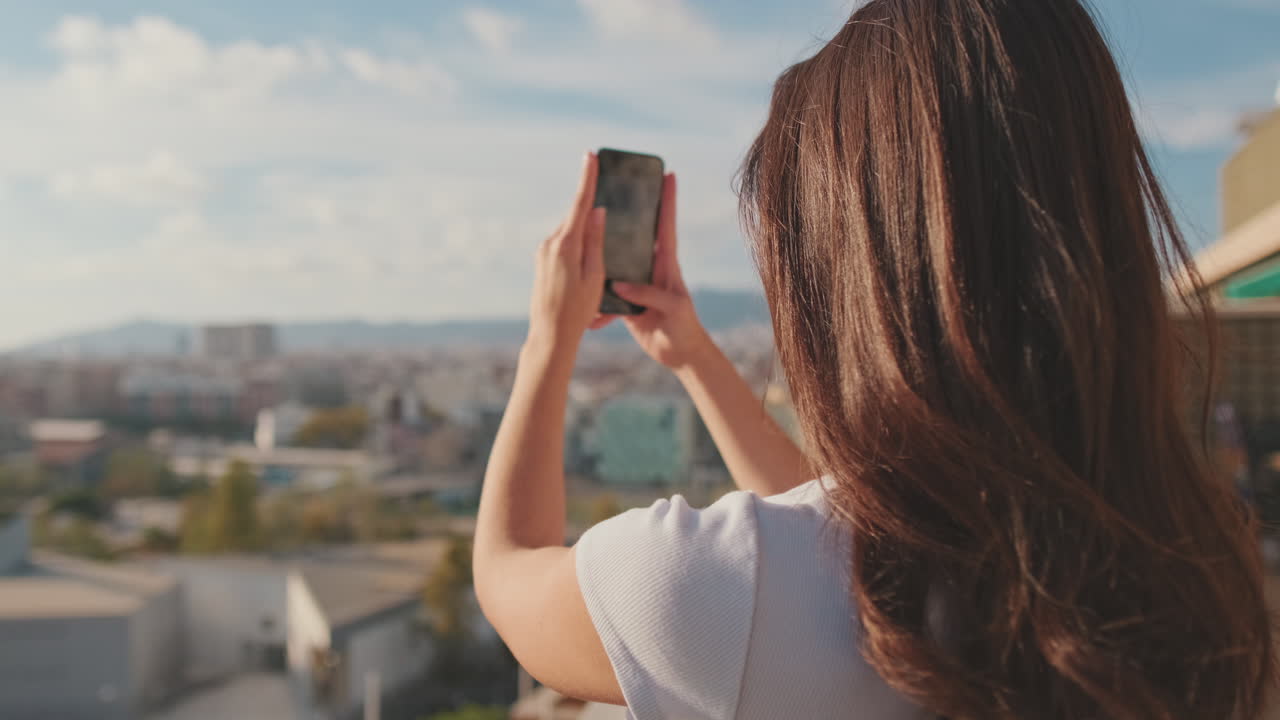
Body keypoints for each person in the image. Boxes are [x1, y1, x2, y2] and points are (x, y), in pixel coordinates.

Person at [473, 0, 1275, 718]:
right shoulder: (1202, 578)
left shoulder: (712, 594)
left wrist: (550, 339)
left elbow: (511, 576)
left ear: (838, 279)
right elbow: (851, 536)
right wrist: (691, 354)